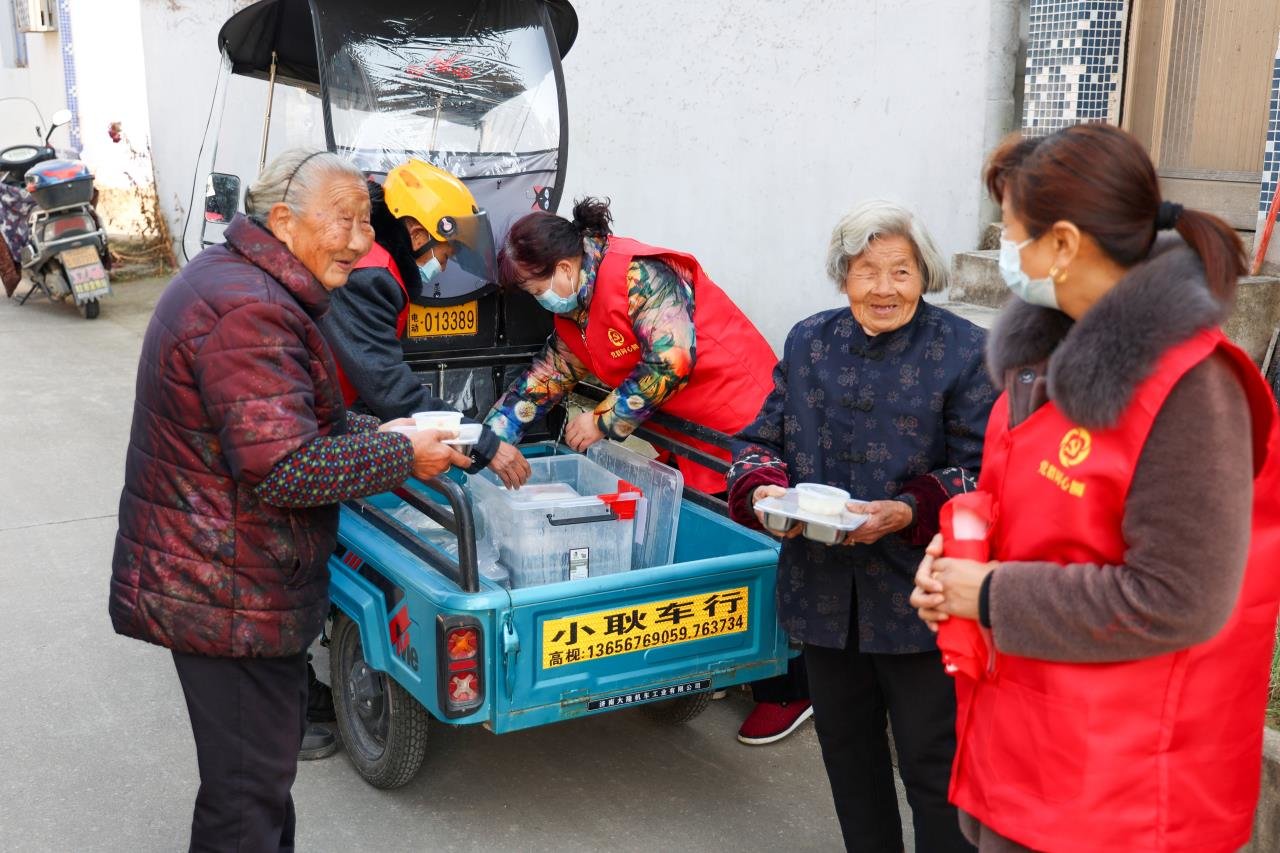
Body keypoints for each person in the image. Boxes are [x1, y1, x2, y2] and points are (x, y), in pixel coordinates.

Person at [911, 123, 1280, 853]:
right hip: (1024, 746)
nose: (1003, 251)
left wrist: (986, 593)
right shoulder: (1043, 361)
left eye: (1010, 232)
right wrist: (948, 559)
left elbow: (1177, 599)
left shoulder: (1190, 390)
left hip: (1120, 792)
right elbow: (1027, 511)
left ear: (1065, 244)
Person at [110, 149, 472, 851]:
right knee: (245, 800)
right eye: (345, 222)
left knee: (260, 783)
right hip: (225, 592)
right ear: (283, 219)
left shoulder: (248, 283)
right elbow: (287, 467)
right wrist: (405, 453)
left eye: (369, 223)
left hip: (232, 577)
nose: (362, 241)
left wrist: (383, 427)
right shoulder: (249, 310)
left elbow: (291, 421)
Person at [728, 200, 994, 851]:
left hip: (920, 597)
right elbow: (760, 440)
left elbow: (981, 469)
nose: (883, 288)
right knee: (849, 760)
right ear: (842, 275)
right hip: (823, 593)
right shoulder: (809, 339)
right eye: (866, 270)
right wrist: (765, 494)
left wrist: (905, 511)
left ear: (925, 274)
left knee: (935, 770)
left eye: (900, 271)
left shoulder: (964, 350)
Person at [484, 197, 776, 495]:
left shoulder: (637, 275)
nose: (540, 300)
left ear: (564, 269)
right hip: (688, 435)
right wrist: (486, 444)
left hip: (741, 420)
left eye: (537, 290)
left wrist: (601, 421)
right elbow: (545, 379)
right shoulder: (574, 314)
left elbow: (671, 361)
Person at [320, 162, 530, 487]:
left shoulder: (372, 263)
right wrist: (482, 442)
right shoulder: (369, 274)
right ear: (418, 234)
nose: (442, 269)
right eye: (444, 256)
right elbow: (389, 388)